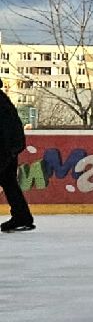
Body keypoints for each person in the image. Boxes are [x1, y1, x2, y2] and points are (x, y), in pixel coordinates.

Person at [0, 80, 32, 233]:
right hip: (9, 147)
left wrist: (9, 149)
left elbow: (6, 128)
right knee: (9, 182)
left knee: (9, 182)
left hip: (5, 148)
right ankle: (22, 216)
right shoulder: (2, 99)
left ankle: (22, 216)